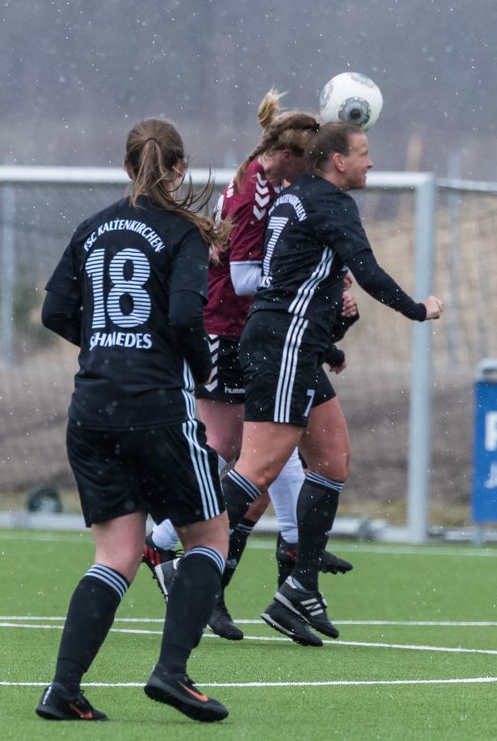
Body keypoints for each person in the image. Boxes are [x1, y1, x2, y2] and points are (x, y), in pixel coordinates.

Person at [37, 118, 231, 723]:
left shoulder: (92, 227)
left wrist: (105, 342)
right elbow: (182, 319)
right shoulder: (183, 233)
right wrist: (208, 373)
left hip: (92, 406)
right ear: (179, 169)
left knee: (117, 554)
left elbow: (53, 312)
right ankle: (171, 673)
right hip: (155, 408)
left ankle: (63, 690)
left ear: (127, 168)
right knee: (209, 539)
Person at [143, 91, 354, 642]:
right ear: (287, 155)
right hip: (230, 333)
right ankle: (167, 541)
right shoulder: (248, 192)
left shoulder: (276, 184)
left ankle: (289, 573)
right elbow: (240, 278)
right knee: (244, 459)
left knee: (265, 462)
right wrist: (307, 285)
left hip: (266, 333)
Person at [225, 121, 443, 647]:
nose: (370, 163)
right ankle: (176, 546)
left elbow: (296, 281)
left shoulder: (298, 197)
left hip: (293, 345)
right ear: (336, 160)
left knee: (332, 458)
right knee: (258, 468)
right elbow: (364, 271)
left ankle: (298, 586)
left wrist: (328, 345)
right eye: (363, 153)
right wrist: (417, 309)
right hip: (284, 348)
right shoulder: (330, 204)